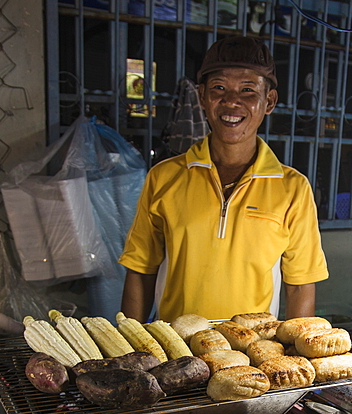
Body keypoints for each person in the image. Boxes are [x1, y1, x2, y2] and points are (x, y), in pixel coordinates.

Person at [118, 36, 329, 322]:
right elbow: (141, 270)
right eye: (219, 88)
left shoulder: (293, 188)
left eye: (247, 90)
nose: (231, 101)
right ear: (202, 96)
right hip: (174, 349)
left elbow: (300, 285)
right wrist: (131, 345)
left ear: (269, 101)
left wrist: (293, 358)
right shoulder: (164, 177)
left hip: (251, 354)